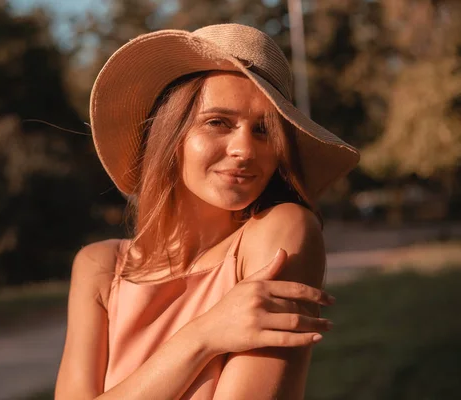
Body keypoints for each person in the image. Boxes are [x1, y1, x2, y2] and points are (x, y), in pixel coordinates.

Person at [55, 23, 359, 399]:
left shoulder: (281, 232)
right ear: (170, 135)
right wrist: (202, 336)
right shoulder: (99, 269)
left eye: (264, 130)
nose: (245, 150)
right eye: (219, 122)